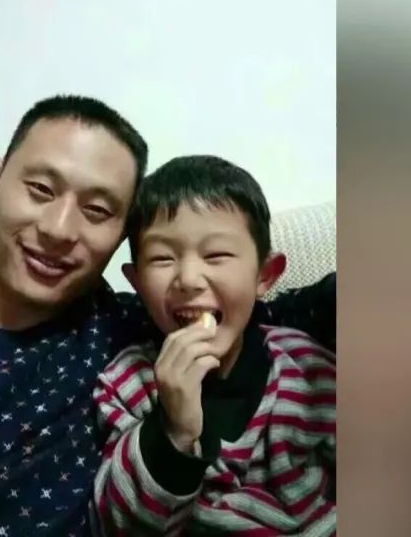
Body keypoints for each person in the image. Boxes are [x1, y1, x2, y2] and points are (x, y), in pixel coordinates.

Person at [0, 95, 335, 536]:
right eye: (40, 189)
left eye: (96, 210)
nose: (58, 229)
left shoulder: (124, 324)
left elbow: (289, 312)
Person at [92, 155, 336, 536]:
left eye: (216, 255)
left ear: (265, 276)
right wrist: (172, 429)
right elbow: (118, 524)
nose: (189, 279)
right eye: (162, 258)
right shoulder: (126, 385)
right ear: (136, 283)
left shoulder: (307, 368)